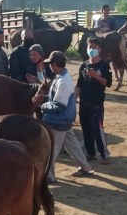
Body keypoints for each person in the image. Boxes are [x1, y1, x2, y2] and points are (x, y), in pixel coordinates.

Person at [32, 51, 94, 181]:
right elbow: (55, 99)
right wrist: (44, 98)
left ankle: (50, 176)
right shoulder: (61, 76)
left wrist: (42, 104)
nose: (49, 66)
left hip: (58, 120)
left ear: (55, 64)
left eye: (50, 64)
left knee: (51, 150)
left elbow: (59, 105)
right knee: (72, 144)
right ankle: (85, 167)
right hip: (64, 119)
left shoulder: (62, 81)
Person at [78, 37, 113, 163]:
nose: (91, 49)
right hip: (84, 103)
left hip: (96, 104)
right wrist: (72, 99)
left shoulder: (104, 66)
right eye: (89, 47)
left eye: (94, 47)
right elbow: (79, 85)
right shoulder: (83, 65)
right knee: (86, 129)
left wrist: (95, 76)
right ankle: (90, 152)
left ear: (100, 49)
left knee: (97, 130)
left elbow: (107, 83)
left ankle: (104, 155)